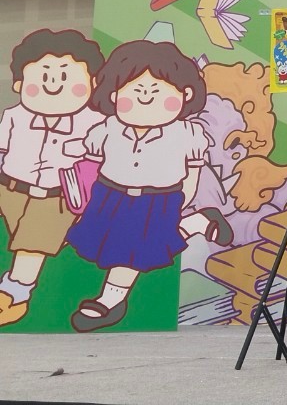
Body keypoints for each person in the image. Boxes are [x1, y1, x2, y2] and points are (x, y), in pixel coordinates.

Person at [64, 41, 229, 332]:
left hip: (158, 199)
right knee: (130, 243)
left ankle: (110, 301)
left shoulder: (187, 133)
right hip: (109, 195)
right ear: (113, 95)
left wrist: (182, 201)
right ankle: (198, 223)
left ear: (185, 95)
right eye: (136, 92)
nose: (146, 100)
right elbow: (90, 163)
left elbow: (192, 172)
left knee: (133, 252)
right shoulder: (108, 128)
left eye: (157, 93)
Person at [0, 30, 106, 327]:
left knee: (33, 242)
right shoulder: (14, 116)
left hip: (56, 195)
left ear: (92, 84)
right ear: (19, 83)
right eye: (43, 76)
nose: (54, 85)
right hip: (10, 187)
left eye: (66, 78)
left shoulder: (95, 123)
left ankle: (14, 295)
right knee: (26, 237)